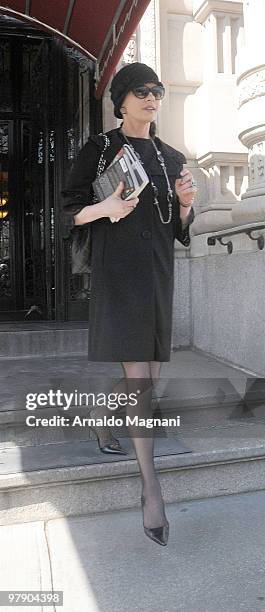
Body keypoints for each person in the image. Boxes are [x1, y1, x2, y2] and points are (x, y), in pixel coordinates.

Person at [62, 62, 197, 546]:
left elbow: (179, 230)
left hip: (158, 274)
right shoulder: (98, 149)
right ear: (121, 100)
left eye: (157, 90)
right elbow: (66, 211)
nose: (152, 97)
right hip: (119, 277)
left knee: (151, 377)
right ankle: (151, 489)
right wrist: (106, 209)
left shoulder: (171, 155)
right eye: (141, 91)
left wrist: (184, 204)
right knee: (142, 382)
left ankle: (102, 417)